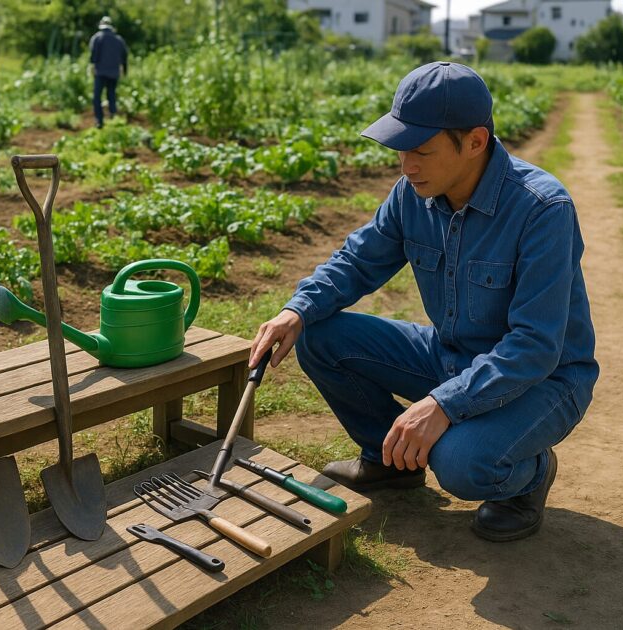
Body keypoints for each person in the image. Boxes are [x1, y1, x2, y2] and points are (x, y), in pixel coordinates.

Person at [248, 62, 598, 542]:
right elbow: (357, 261)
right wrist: (296, 310)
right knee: (319, 332)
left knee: (459, 463)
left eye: (421, 151)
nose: (406, 165)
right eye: (400, 150)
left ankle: (529, 477)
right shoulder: (412, 193)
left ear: (475, 141)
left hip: (545, 379)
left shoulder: (542, 210)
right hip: (451, 354)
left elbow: (536, 345)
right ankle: (390, 460)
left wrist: (441, 404)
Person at [88, 16, 128, 129]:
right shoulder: (119, 39)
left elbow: (93, 54)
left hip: (100, 72)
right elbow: (124, 56)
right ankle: (113, 118)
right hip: (114, 72)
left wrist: (92, 66)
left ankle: (99, 121)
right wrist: (124, 70)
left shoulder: (97, 38)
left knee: (97, 97)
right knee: (111, 95)